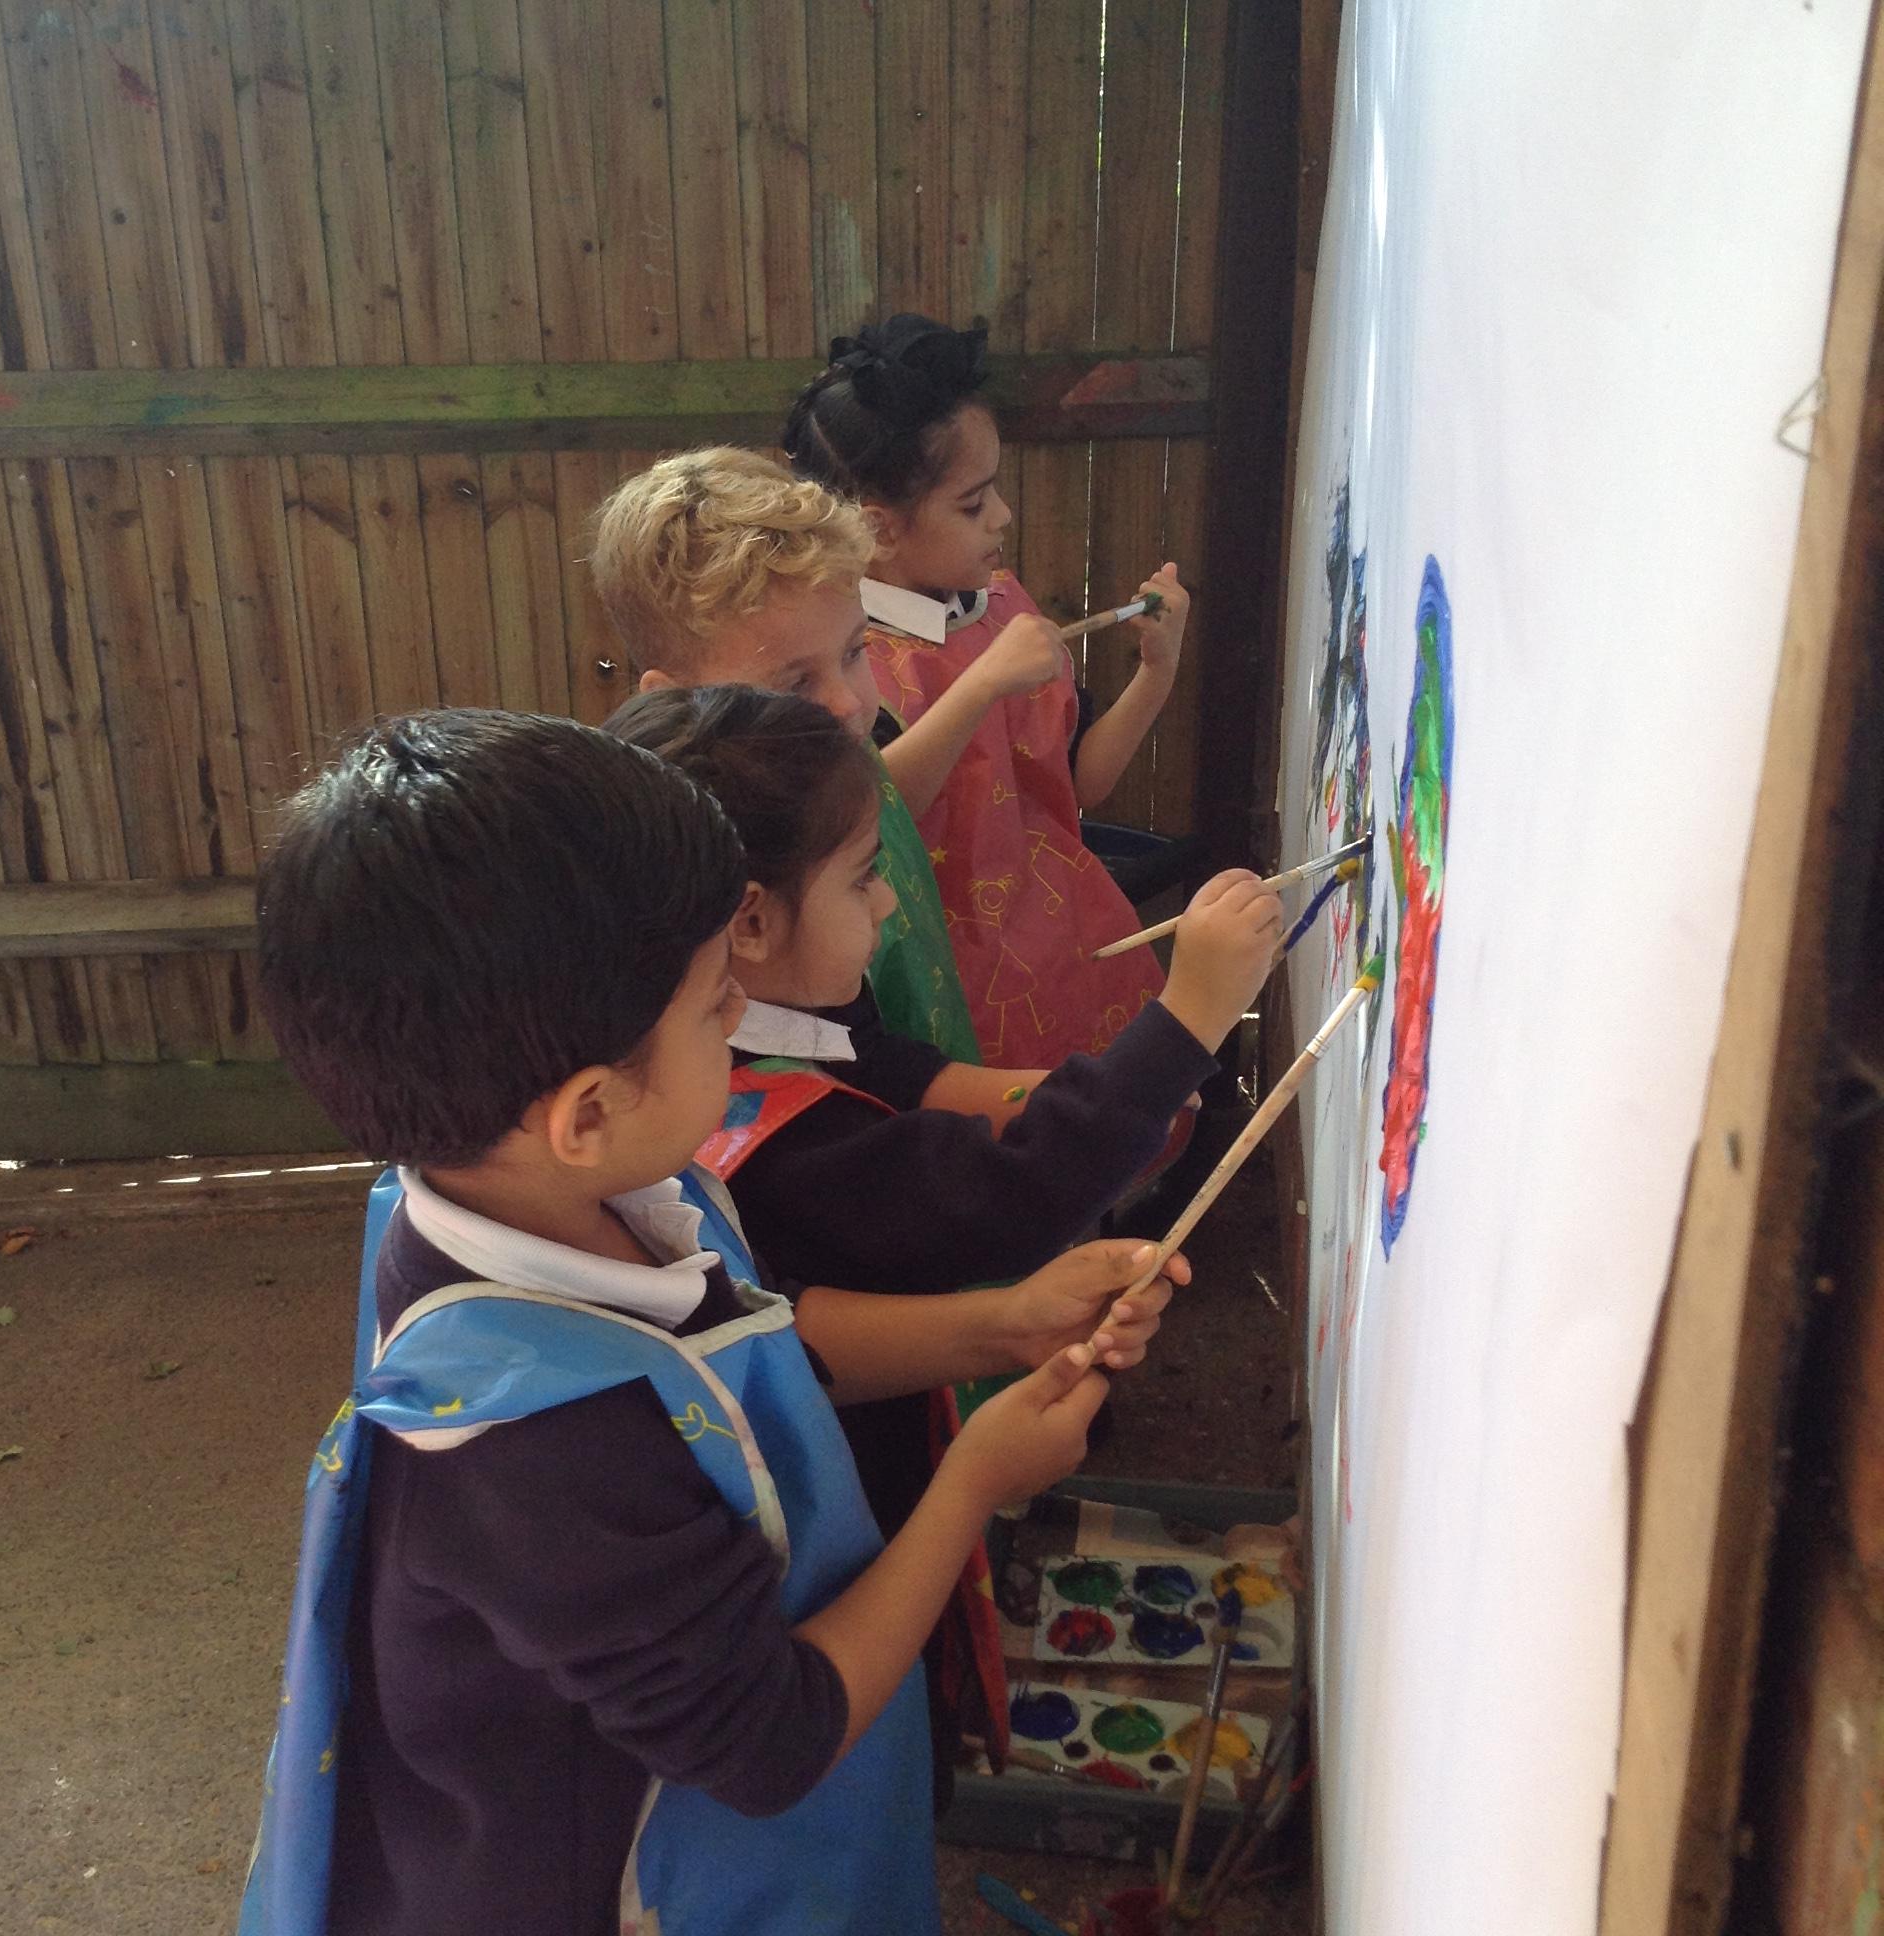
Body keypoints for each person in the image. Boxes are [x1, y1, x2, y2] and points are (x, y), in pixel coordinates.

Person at [237, 708, 1184, 1936]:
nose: (739, 1016)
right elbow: (769, 1738)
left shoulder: (572, 1192)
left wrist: (999, 1328)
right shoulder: (532, 1451)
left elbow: (741, 1365)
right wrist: (973, 1488)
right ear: (587, 1111)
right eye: (711, 1005)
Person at [603, 683, 1279, 1541]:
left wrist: (1122, 1085)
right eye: (863, 879)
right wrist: (1191, 1017)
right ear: (752, 922)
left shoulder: (761, 1018)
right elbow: (1006, 1199)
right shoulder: (772, 1132)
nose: (887, 904)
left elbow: (890, 1066)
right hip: (839, 1484)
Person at [785, 314, 1188, 1069]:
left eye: (994, 489)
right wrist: (981, 686)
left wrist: (1156, 671)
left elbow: (1081, 783)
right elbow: (868, 814)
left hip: (1073, 944)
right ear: (879, 530)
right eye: (972, 503)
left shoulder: (998, 602)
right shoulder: (845, 658)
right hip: (952, 988)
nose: (1002, 515)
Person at [585, 444, 985, 1068]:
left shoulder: (845, 756)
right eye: (794, 684)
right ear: (677, 701)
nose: (848, 703)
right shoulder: (699, 910)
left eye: (853, 652)